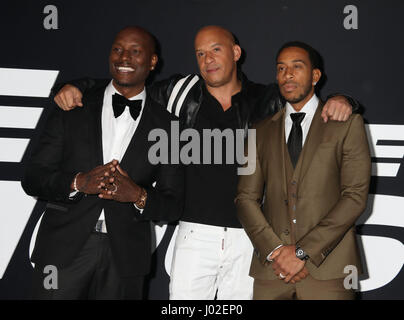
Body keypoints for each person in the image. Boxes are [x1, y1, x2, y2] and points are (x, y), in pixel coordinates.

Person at [52, 26, 359, 300]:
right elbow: (126, 84)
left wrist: (345, 99)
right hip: (193, 232)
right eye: (200, 53)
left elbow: (307, 101)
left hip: (249, 237)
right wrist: (79, 85)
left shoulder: (267, 99)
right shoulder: (178, 92)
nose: (208, 59)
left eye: (216, 49)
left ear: (236, 53)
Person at [21, 26, 184, 300]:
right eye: (118, 49)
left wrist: (138, 195)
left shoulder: (169, 128)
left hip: (126, 258)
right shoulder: (73, 107)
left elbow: (173, 203)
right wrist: (78, 182)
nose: (124, 58)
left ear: (153, 61)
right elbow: (33, 177)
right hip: (64, 251)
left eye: (136, 51)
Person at [236, 41, 371, 300]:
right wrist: (276, 251)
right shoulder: (258, 132)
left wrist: (302, 252)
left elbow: (354, 197)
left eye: (297, 67)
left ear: (315, 76)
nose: (288, 74)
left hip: (329, 268)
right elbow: (245, 198)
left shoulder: (347, 125)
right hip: (272, 270)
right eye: (281, 68)